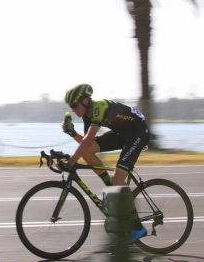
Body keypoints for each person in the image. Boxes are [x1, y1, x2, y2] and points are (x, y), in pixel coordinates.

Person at [61, 83, 149, 242]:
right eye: (70, 107)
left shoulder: (98, 107)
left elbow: (87, 139)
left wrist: (71, 161)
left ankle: (138, 227)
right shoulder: (87, 115)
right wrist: (72, 133)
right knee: (88, 153)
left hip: (137, 133)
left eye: (74, 105)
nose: (73, 109)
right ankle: (111, 186)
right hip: (121, 133)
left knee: (118, 178)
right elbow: (87, 145)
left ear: (85, 101)